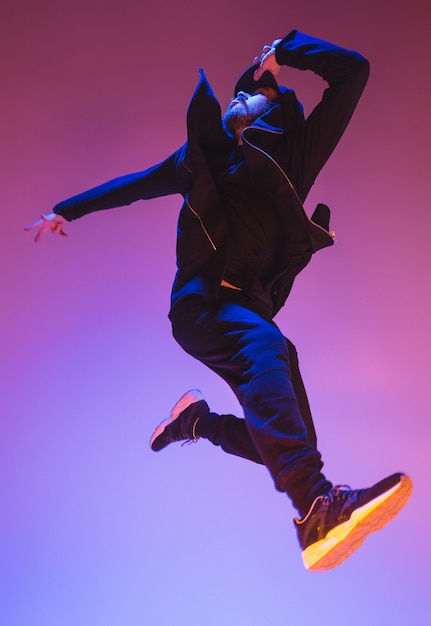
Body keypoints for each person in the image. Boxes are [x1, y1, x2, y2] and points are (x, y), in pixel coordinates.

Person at [25, 30, 412, 571]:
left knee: (284, 434)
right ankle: (316, 507)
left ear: (277, 110)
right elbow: (135, 184)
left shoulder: (293, 158)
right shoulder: (200, 156)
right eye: (239, 94)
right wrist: (64, 209)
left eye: (257, 95)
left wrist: (286, 50)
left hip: (247, 310)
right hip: (203, 308)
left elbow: (355, 72)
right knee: (268, 351)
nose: (242, 102)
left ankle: (197, 424)